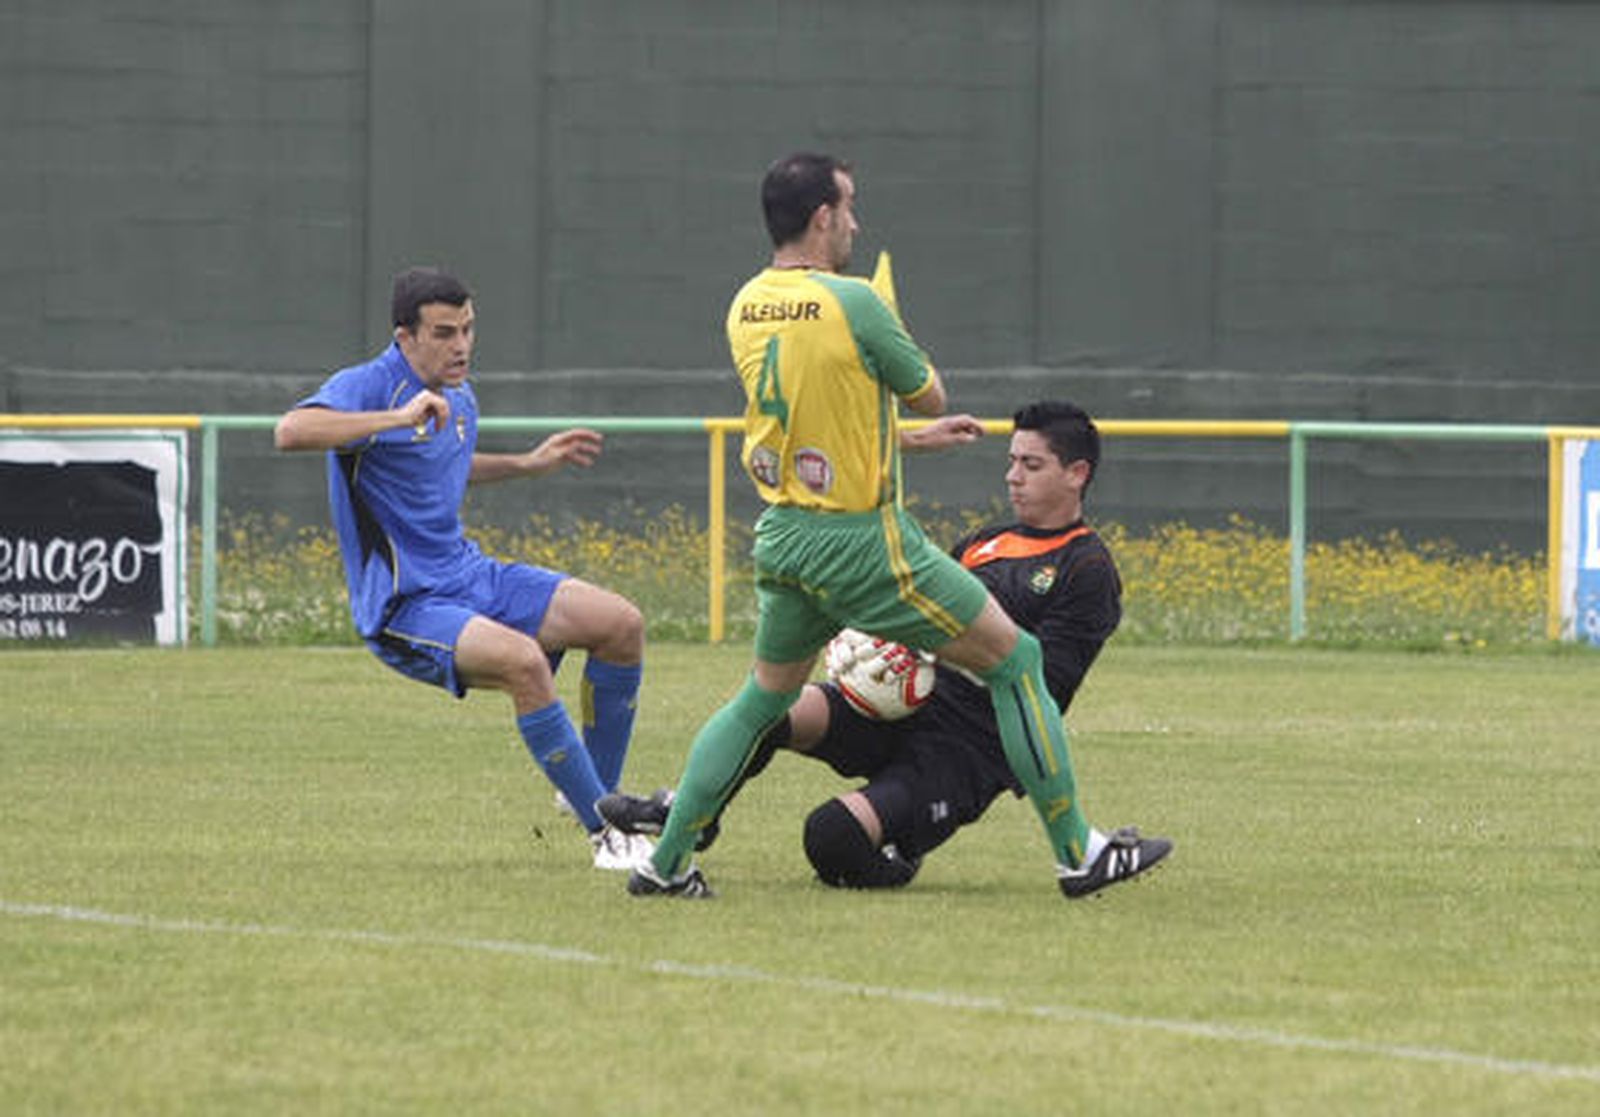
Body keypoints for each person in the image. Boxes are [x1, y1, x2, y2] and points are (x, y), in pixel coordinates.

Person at [604, 152, 1170, 899]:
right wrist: (900, 357)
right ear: (822, 218)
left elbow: (818, 414)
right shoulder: (855, 300)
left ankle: (666, 863)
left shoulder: (744, 303)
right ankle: (1079, 853)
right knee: (1018, 660)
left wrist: (897, 441)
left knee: (763, 698)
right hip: (860, 538)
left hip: (784, 533)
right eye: (850, 206)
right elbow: (931, 392)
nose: (856, 222)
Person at [608, 401, 1151, 890]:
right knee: (773, 708)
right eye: (1011, 461)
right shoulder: (983, 543)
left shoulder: (1087, 568)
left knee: (831, 839)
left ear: (1077, 474)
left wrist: (929, 648)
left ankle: (900, 845)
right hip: (901, 703)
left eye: (1031, 466)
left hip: (969, 746)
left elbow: (1045, 685)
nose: (1013, 477)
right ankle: (690, 817)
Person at [274, 266, 654, 871]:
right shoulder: (370, 385)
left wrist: (528, 465)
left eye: (469, 329)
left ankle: (588, 787)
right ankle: (609, 835)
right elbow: (291, 431)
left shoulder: (460, 395)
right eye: (445, 333)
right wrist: (395, 419)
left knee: (620, 624)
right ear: (406, 338)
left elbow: (446, 464)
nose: (462, 346)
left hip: (471, 576)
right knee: (526, 666)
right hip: (407, 603)